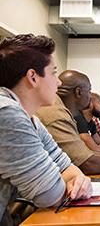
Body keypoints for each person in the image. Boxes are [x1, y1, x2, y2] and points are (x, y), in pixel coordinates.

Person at [0, 34, 92, 225]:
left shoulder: (28, 116)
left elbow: (66, 166)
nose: (58, 83)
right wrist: (69, 183)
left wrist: (77, 180)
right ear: (33, 77)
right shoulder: (7, 113)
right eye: (53, 73)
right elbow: (50, 195)